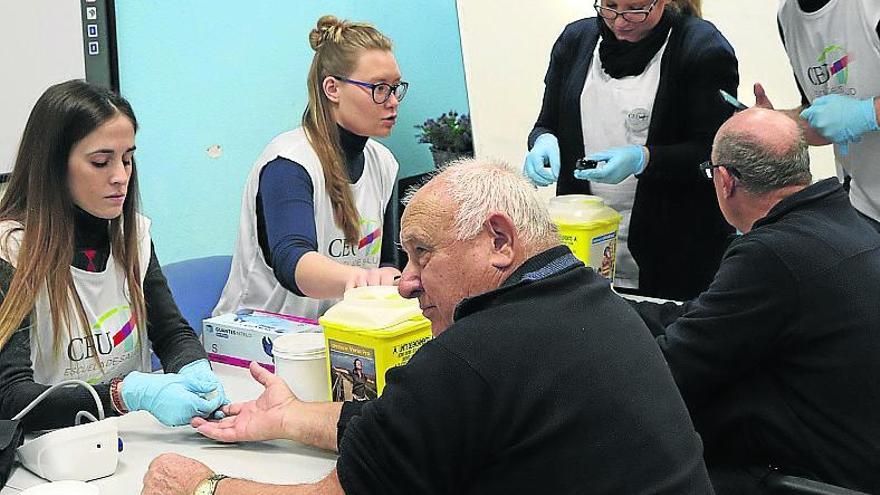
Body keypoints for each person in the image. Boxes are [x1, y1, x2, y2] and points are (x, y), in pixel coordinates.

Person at [142, 159, 714, 495]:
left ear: (499, 240)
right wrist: (290, 417)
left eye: (421, 255)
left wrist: (200, 486)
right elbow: (415, 432)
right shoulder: (597, 306)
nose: (407, 281)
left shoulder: (473, 356)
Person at [631, 108, 880, 494]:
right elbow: (708, 318)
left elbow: (673, 368)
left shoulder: (773, 254)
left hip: (811, 476)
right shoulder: (843, 223)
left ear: (725, 180)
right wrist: (620, 309)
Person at [0, 80, 228, 431]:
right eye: (101, 162)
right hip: (50, 455)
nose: (120, 177)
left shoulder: (133, 234)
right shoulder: (11, 251)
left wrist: (195, 369)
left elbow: (170, 332)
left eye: (127, 159)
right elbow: (12, 399)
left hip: (127, 440)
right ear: (54, 165)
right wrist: (125, 394)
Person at [523, 0, 738, 300]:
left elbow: (714, 152)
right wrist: (542, 142)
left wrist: (645, 158)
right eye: (610, 6)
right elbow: (546, 123)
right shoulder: (576, 41)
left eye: (636, 9)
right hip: (586, 245)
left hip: (674, 253)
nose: (620, 21)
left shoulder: (701, 47)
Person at [214, 15, 404, 321]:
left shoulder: (384, 163)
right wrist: (360, 281)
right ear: (332, 89)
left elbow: (388, 262)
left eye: (396, 88)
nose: (393, 101)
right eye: (379, 88)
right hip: (259, 340)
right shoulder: (289, 162)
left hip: (342, 334)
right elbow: (293, 263)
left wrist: (391, 279)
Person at [753, 0, 880, 232]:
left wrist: (867, 113)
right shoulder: (788, 18)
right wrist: (775, 125)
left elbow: (844, 117)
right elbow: (824, 120)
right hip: (865, 207)